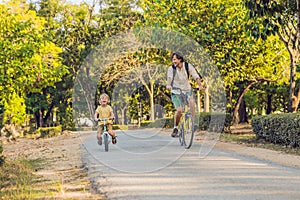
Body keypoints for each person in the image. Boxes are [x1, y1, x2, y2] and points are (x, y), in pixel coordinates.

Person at [166, 52, 205, 137]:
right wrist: (168, 85)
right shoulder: (171, 69)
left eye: (175, 59)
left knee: (191, 101)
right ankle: (176, 127)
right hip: (176, 91)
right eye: (173, 60)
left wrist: (200, 85)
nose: (173, 61)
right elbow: (169, 78)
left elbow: (196, 76)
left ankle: (192, 122)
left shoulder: (188, 66)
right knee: (179, 110)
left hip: (187, 90)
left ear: (180, 59)